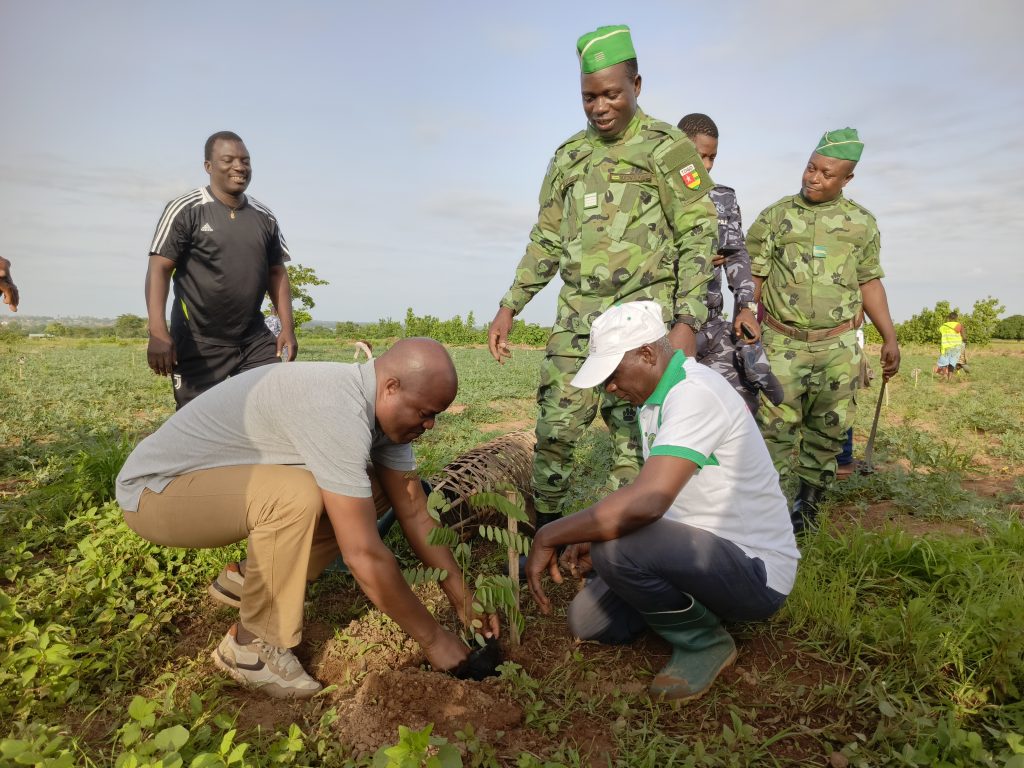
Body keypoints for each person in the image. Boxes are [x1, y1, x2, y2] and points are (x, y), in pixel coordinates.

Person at [116, 338, 499, 699]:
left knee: (373, 490)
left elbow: (413, 509)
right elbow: (362, 554)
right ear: (391, 387)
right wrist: (434, 639)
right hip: (156, 494)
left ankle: (248, 577)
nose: (430, 425)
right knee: (295, 495)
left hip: (208, 485)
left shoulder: (384, 420)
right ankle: (251, 648)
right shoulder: (337, 408)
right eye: (425, 413)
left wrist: (465, 601)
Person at [487, 25, 716, 537]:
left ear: (637, 84)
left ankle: (617, 543)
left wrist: (687, 321)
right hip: (577, 319)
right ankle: (543, 533)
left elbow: (699, 236)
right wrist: (510, 306)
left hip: (642, 325)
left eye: (612, 93)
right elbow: (546, 238)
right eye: (589, 97)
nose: (600, 106)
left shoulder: (668, 148)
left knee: (635, 438)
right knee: (556, 428)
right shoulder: (568, 157)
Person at [525, 302, 799, 701]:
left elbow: (648, 502)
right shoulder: (655, 398)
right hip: (698, 550)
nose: (610, 389)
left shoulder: (695, 393)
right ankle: (688, 600)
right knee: (588, 622)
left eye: (613, 376)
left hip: (754, 567)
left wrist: (551, 533)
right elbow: (655, 491)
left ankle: (705, 642)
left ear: (647, 354)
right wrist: (594, 529)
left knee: (616, 546)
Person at [747, 128, 900, 533]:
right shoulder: (776, 216)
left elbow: (870, 281)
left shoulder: (861, 224)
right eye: (810, 168)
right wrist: (745, 312)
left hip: (838, 346)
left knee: (829, 430)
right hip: (781, 342)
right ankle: (770, 511)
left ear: (846, 179)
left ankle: (809, 506)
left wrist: (890, 336)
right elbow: (754, 274)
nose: (813, 178)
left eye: (826, 173)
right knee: (773, 432)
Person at [145, 131, 298, 409]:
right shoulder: (186, 209)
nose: (239, 167)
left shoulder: (264, 217)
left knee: (269, 411)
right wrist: (157, 331)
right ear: (208, 166)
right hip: (198, 341)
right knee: (197, 424)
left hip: (253, 339)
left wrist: (287, 328)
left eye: (245, 160)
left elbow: (277, 273)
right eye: (228, 160)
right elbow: (159, 269)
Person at [676, 113, 783, 413]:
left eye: (713, 157)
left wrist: (746, 305)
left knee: (739, 407)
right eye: (701, 157)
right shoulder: (656, 198)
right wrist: (694, 256)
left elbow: (736, 255)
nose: (708, 165)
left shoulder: (722, 198)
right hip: (672, 325)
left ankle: (756, 371)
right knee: (678, 410)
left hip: (710, 323)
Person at [937, 311, 966, 383]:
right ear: (956, 318)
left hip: (945, 347)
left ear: (948, 318)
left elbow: (940, 334)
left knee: (944, 362)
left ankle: (944, 375)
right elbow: (964, 337)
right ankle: (949, 378)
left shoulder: (943, 326)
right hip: (956, 347)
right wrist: (964, 342)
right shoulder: (959, 325)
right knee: (952, 363)